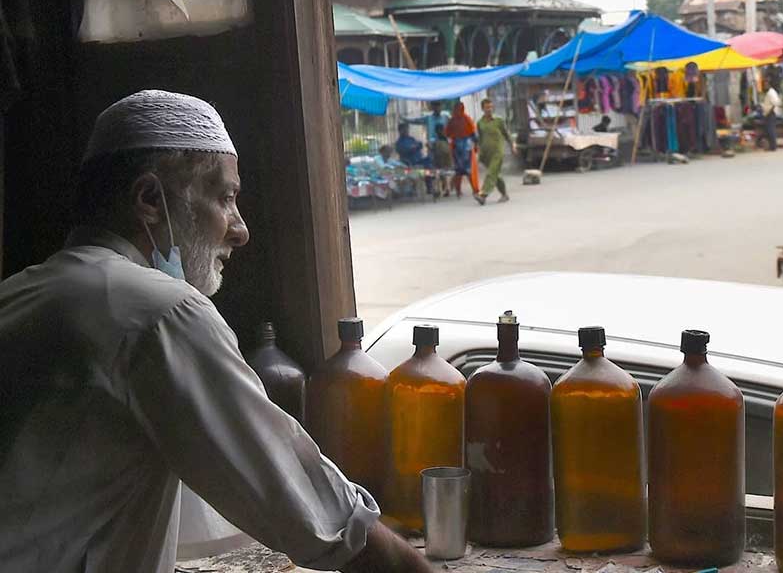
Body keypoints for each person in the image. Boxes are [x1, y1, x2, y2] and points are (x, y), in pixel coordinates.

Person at [0, 90, 432, 573]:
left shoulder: (22, 291)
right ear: (149, 200)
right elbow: (314, 510)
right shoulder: (161, 311)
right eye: (225, 198)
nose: (240, 228)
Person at [475, 98, 517, 205]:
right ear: (482, 109)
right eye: (486, 107)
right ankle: (504, 194)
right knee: (495, 174)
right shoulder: (480, 123)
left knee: (491, 173)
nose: (489, 109)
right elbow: (480, 139)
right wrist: (478, 152)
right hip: (486, 153)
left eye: (490, 107)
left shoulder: (499, 120)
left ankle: (483, 194)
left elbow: (506, 134)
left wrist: (513, 145)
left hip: (498, 152)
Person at [444, 101, 478, 198]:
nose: (458, 111)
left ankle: (474, 190)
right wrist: (450, 142)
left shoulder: (467, 119)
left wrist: (475, 145)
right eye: (456, 109)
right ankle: (458, 191)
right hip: (456, 147)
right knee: (458, 170)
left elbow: (473, 133)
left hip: (466, 147)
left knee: (468, 170)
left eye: (460, 109)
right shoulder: (452, 120)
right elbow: (447, 133)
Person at [431, 123, 453, 198]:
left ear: (435, 131)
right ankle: (447, 189)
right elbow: (451, 146)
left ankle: (439, 190)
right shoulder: (447, 138)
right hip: (447, 157)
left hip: (438, 158)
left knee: (438, 173)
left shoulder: (434, 139)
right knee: (446, 173)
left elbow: (432, 148)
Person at [762, 78, 783, 152]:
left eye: (766, 84)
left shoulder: (771, 92)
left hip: (770, 113)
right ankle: (771, 146)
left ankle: (773, 146)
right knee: (769, 130)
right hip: (768, 113)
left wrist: (770, 110)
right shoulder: (769, 92)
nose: (764, 85)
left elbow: (776, 103)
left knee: (771, 130)